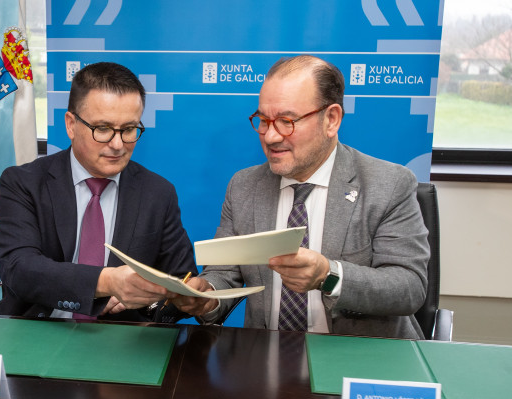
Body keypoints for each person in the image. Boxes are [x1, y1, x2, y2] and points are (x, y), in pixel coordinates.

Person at [173, 55, 429, 339]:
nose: (270, 136)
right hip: (267, 360)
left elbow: (409, 287)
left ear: (331, 119)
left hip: (358, 362)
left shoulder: (389, 184)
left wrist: (328, 275)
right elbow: (224, 274)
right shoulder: (244, 186)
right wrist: (207, 297)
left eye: (286, 121)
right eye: (263, 120)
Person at [0, 62, 196, 322]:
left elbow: (180, 280)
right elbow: (19, 269)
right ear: (71, 125)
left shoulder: (157, 193)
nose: (118, 144)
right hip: (36, 329)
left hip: (120, 343)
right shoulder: (24, 183)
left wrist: (188, 298)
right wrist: (104, 281)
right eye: (104, 129)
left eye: (129, 129)